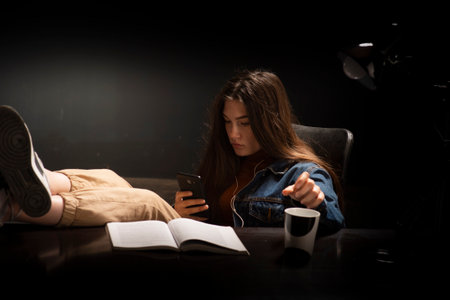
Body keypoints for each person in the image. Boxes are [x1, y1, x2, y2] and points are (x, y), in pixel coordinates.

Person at [174, 69, 345, 234]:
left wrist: (317, 203)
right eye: (227, 122)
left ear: (269, 123)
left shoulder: (303, 172)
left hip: (252, 260)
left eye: (245, 123)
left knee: (147, 202)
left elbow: (335, 221)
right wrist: (179, 214)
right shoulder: (222, 161)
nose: (233, 134)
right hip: (206, 256)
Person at [0, 105, 180, 227]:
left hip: (198, 232)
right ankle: (43, 178)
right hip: (187, 222)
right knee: (111, 177)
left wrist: (184, 219)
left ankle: (10, 207)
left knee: (148, 202)